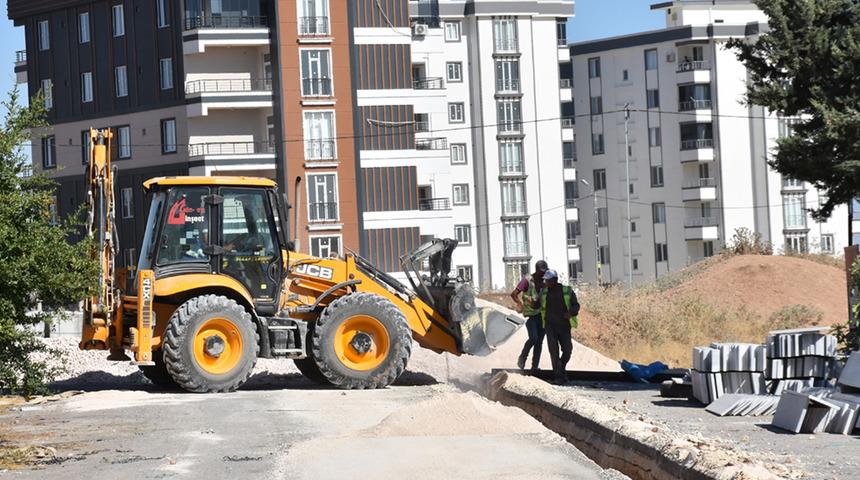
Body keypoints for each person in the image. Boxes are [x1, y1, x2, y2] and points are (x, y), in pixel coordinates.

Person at [539, 269, 580, 384]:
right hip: (550, 325)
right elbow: (538, 304)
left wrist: (571, 312)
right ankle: (558, 377)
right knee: (554, 351)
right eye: (545, 281)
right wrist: (532, 303)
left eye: (548, 281)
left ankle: (561, 369)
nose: (546, 283)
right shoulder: (544, 292)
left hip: (564, 325)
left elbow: (576, 305)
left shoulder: (567, 291)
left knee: (567, 350)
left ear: (555, 280)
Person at [511, 260, 548, 371]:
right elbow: (514, 294)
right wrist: (520, 304)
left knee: (539, 342)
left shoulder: (545, 282)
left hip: (542, 316)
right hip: (531, 316)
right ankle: (522, 358)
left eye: (544, 272)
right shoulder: (527, 281)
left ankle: (534, 367)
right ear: (536, 271)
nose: (543, 274)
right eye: (541, 272)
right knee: (533, 338)